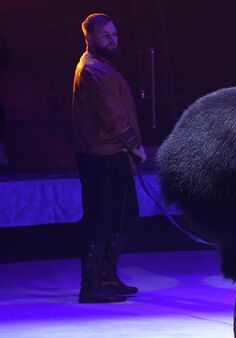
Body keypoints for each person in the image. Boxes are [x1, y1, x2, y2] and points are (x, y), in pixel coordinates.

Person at [72, 13, 146, 303]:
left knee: (124, 217)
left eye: (115, 34)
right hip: (102, 156)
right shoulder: (94, 70)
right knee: (102, 220)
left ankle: (107, 278)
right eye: (106, 36)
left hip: (111, 153)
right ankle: (90, 287)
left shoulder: (100, 66)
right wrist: (135, 146)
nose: (113, 40)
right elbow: (113, 116)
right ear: (89, 37)